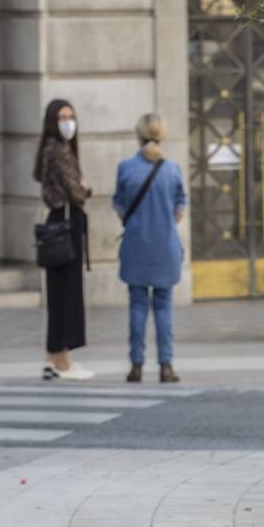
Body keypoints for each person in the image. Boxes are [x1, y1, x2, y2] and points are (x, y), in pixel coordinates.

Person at [113, 113, 188, 383]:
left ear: (139, 134)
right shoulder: (172, 169)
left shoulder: (126, 168)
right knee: (164, 307)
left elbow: (119, 204)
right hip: (165, 245)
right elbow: (181, 206)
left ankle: (136, 365)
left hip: (136, 245)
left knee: (137, 306)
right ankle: (166, 365)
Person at [33, 99, 94, 381]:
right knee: (67, 295)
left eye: (71, 116)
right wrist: (85, 188)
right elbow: (75, 192)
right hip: (65, 224)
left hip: (58, 223)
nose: (68, 122)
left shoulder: (49, 149)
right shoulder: (59, 152)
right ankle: (63, 363)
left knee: (58, 295)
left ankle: (53, 357)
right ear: (52, 121)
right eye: (62, 117)